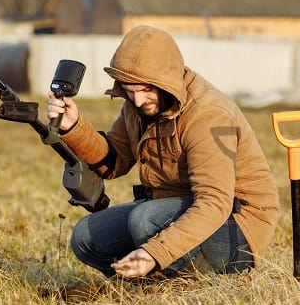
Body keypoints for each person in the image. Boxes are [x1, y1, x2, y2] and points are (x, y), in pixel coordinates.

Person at [46, 25, 279, 280]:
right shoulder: (137, 107)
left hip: (237, 227)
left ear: (166, 82)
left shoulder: (208, 114)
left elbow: (214, 203)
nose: (136, 101)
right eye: (129, 89)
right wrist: (74, 127)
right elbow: (113, 163)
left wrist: (155, 252)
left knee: (144, 220)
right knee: (87, 236)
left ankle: (184, 286)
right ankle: (147, 283)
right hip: (169, 210)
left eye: (145, 89)